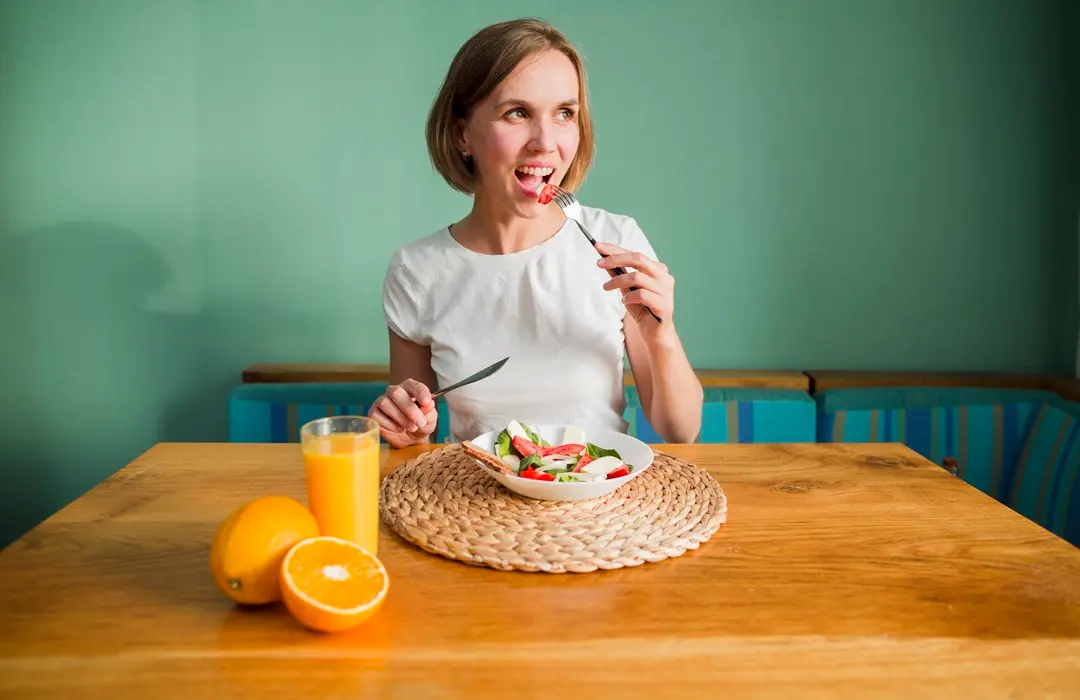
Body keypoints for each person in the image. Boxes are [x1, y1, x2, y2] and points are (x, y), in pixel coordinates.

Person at [369, 18, 703, 449]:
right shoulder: (417, 270)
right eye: (518, 113)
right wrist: (406, 424)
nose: (545, 142)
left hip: (597, 487)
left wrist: (661, 333)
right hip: (475, 490)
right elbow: (416, 439)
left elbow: (681, 431)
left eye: (565, 113)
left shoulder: (618, 240)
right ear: (461, 134)